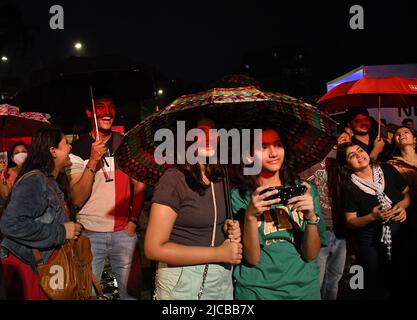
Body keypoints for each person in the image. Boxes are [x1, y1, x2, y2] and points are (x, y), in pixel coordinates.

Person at [144, 115, 242, 300]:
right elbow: (153, 248)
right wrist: (218, 253)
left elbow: (207, 224)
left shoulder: (220, 176)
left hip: (220, 278)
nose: (208, 137)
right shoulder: (174, 179)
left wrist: (228, 228)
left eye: (212, 131)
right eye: (200, 132)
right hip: (182, 281)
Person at [230, 128, 327, 300]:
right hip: (257, 291)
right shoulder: (240, 196)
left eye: (278, 145)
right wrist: (250, 216)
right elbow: (252, 259)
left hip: (304, 290)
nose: (273, 153)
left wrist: (311, 217)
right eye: (263, 147)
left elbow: (311, 255)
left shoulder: (306, 190)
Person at [66, 95, 145, 300]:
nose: (107, 112)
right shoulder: (78, 148)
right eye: (100, 107)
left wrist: (133, 221)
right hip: (89, 234)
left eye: (111, 107)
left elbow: (140, 186)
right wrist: (92, 160)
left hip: (123, 232)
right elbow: (76, 198)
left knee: (131, 294)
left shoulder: (126, 144)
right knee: (88, 293)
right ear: (89, 113)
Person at [0, 127, 82, 300]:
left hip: (43, 270)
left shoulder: (49, 180)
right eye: (65, 143)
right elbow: (10, 224)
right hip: (30, 272)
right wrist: (61, 232)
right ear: (52, 151)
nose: (70, 148)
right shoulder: (35, 181)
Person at [336, 142, 410, 299]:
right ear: (347, 165)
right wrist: (372, 217)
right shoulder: (349, 186)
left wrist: (402, 206)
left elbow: (407, 193)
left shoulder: (387, 169)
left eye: (360, 150)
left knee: (404, 275)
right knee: (377, 282)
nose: (359, 155)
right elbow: (350, 221)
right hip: (370, 239)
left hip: (400, 232)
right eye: (352, 155)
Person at [299, 134, 347, 300]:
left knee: (334, 278)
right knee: (316, 280)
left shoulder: (340, 157)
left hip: (340, 227)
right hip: (319, 227)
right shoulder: (306, 159)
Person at [388, 126, 417, 298]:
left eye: (406, 132)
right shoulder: (392, 165)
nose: (401, 135)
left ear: (415, 140)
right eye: (398, 134)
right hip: (408, 214)